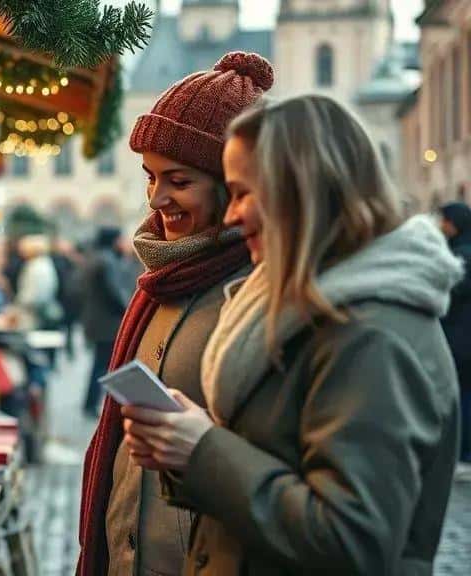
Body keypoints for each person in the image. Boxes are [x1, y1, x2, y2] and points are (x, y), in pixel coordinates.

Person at [122, 95, 463, 575]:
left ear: (300, 193)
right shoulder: (307, 309)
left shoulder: (371, 336)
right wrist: (183, 448)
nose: (232, 215)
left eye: (244, 193)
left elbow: (350, 540)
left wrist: (202, 449)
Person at [78, 51, 273, 576]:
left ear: (232, 187)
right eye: (150, 177)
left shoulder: (261, 291)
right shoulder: (160, 280)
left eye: (179, 181)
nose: (156, 198)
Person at [80, 228, 140, 417]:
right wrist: (130, 308)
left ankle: (92, 403)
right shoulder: (107, 261)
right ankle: (97, 405)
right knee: (105, 364)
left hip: (98, 322)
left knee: (100, 364)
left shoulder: (96, 257)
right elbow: (115, 292)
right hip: (107, 324)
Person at [440, 202, 471, 475]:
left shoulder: (461, 256)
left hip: (461, 338)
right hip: (463, 337)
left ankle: (464, 454)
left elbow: (450, 293)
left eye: (445, 220)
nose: (441, 225)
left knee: (462, 395)